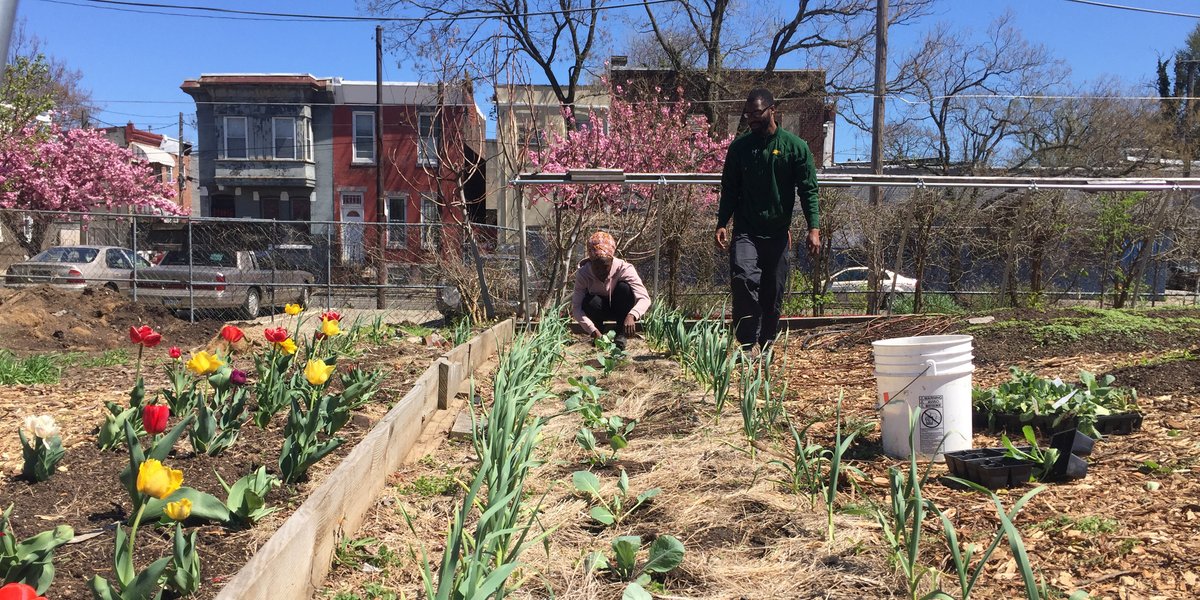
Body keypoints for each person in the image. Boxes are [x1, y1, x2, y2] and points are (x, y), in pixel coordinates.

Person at [716, 88, 821, 352]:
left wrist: (813, 228)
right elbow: (729, 188)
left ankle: (767, 341)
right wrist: (721, 222)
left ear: (773, 110)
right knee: (743, 277)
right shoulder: (740, 148)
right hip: (746, 230)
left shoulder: (795, 148)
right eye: (748, 114)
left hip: (777, 233)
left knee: (773, 290)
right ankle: (748, 342)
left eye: (757, 113)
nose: (751, 119)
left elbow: (808, 189)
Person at [570, 231, 651, 350]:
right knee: (589, 301)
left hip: (621, 309)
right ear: (591, 262)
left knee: (624, 288)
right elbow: (577, 308)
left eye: (605, 266)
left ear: (612, 260)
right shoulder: (583, 273)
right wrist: (592, 330)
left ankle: (620, 334)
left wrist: (632, 315)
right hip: (599, 310)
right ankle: (599, 335)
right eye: (596, 267)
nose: (601, 271)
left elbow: (644, 298)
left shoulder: (624, 268)